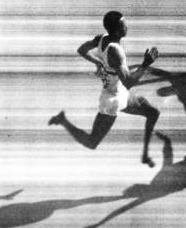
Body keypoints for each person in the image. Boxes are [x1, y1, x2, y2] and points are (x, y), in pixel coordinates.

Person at [48, 11, 160, 167]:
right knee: (92, 142)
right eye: (124, 24)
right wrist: (145, 64)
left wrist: (99, 63)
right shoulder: (115, 50)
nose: (127, 26)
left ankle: (145, 155)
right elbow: (128, 81)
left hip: (119, 92)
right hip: (112, 100)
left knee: (153, 112)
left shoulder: (101, 39)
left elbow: (82, 50)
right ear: (117, 29)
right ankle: (63, 121)